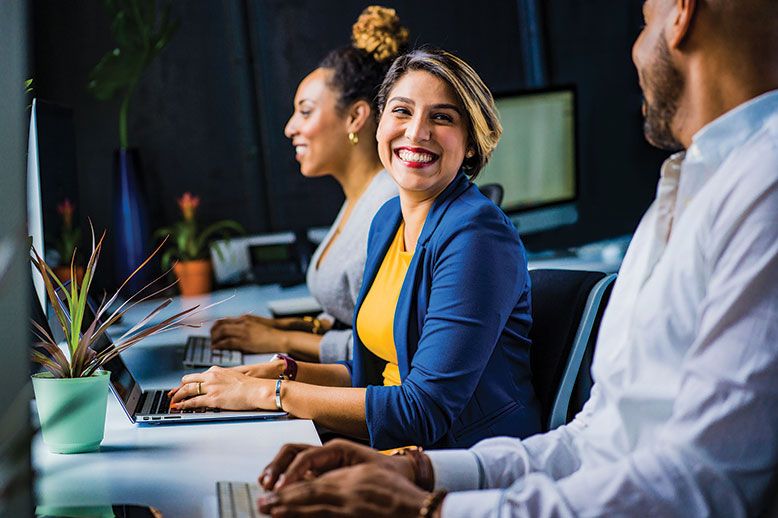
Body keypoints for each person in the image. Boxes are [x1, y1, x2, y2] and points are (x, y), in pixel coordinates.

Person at [254, 0, 778, 516]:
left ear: (681, 14)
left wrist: (434, 507)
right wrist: (420, 475)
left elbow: (707, 483)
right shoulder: (684, 190)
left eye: (643, 22)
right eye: (403, 112)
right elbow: (595, 440)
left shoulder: (761, 189)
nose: (635, 50)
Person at [170, 48, 541, 450]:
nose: (416, 132)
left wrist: (269, 394)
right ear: (379, 123)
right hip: (395, 447)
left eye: (442, 117)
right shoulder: (387, 220)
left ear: (470, 143)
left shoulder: (477, 236)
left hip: (463, 461)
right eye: (401, 111)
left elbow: (423, 411)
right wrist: (279, 373)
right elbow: (373, 375)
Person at [209, 6, 405, 363]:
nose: (290, 128)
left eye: (305, 111)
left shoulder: (388, 207)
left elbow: (383, 352)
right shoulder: (359, 198)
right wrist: (289, 327)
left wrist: (281, 342)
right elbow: (352, 317)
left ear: (355, 116)